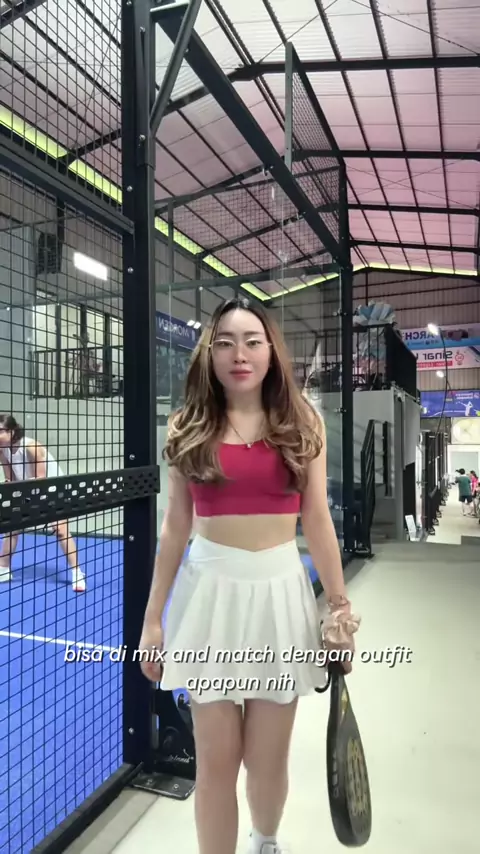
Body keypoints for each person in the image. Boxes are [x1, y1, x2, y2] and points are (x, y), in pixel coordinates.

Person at [138, 297, 360, 854]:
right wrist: (153, 621)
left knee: (267, 758)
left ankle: (265, 841)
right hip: (208, 599)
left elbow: (317, 520)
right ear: (209, 354)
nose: (240, 354)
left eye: (252, 342)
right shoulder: (187, 426)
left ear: (270, 352)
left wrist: (339, 609)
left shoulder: (303, 423)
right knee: (216, 763)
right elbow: (174, 528)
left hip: (280, 598)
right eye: (226, 342)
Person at [0, 415, 86, 592]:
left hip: (52, 489)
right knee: (12, 527)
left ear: (12, 431)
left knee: (60, 530)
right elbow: (10, 479)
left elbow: (41, 479)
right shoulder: (2, 450)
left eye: (0, 431)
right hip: (27, 489)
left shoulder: (31, 447)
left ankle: (77, 573)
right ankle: (3, 569)